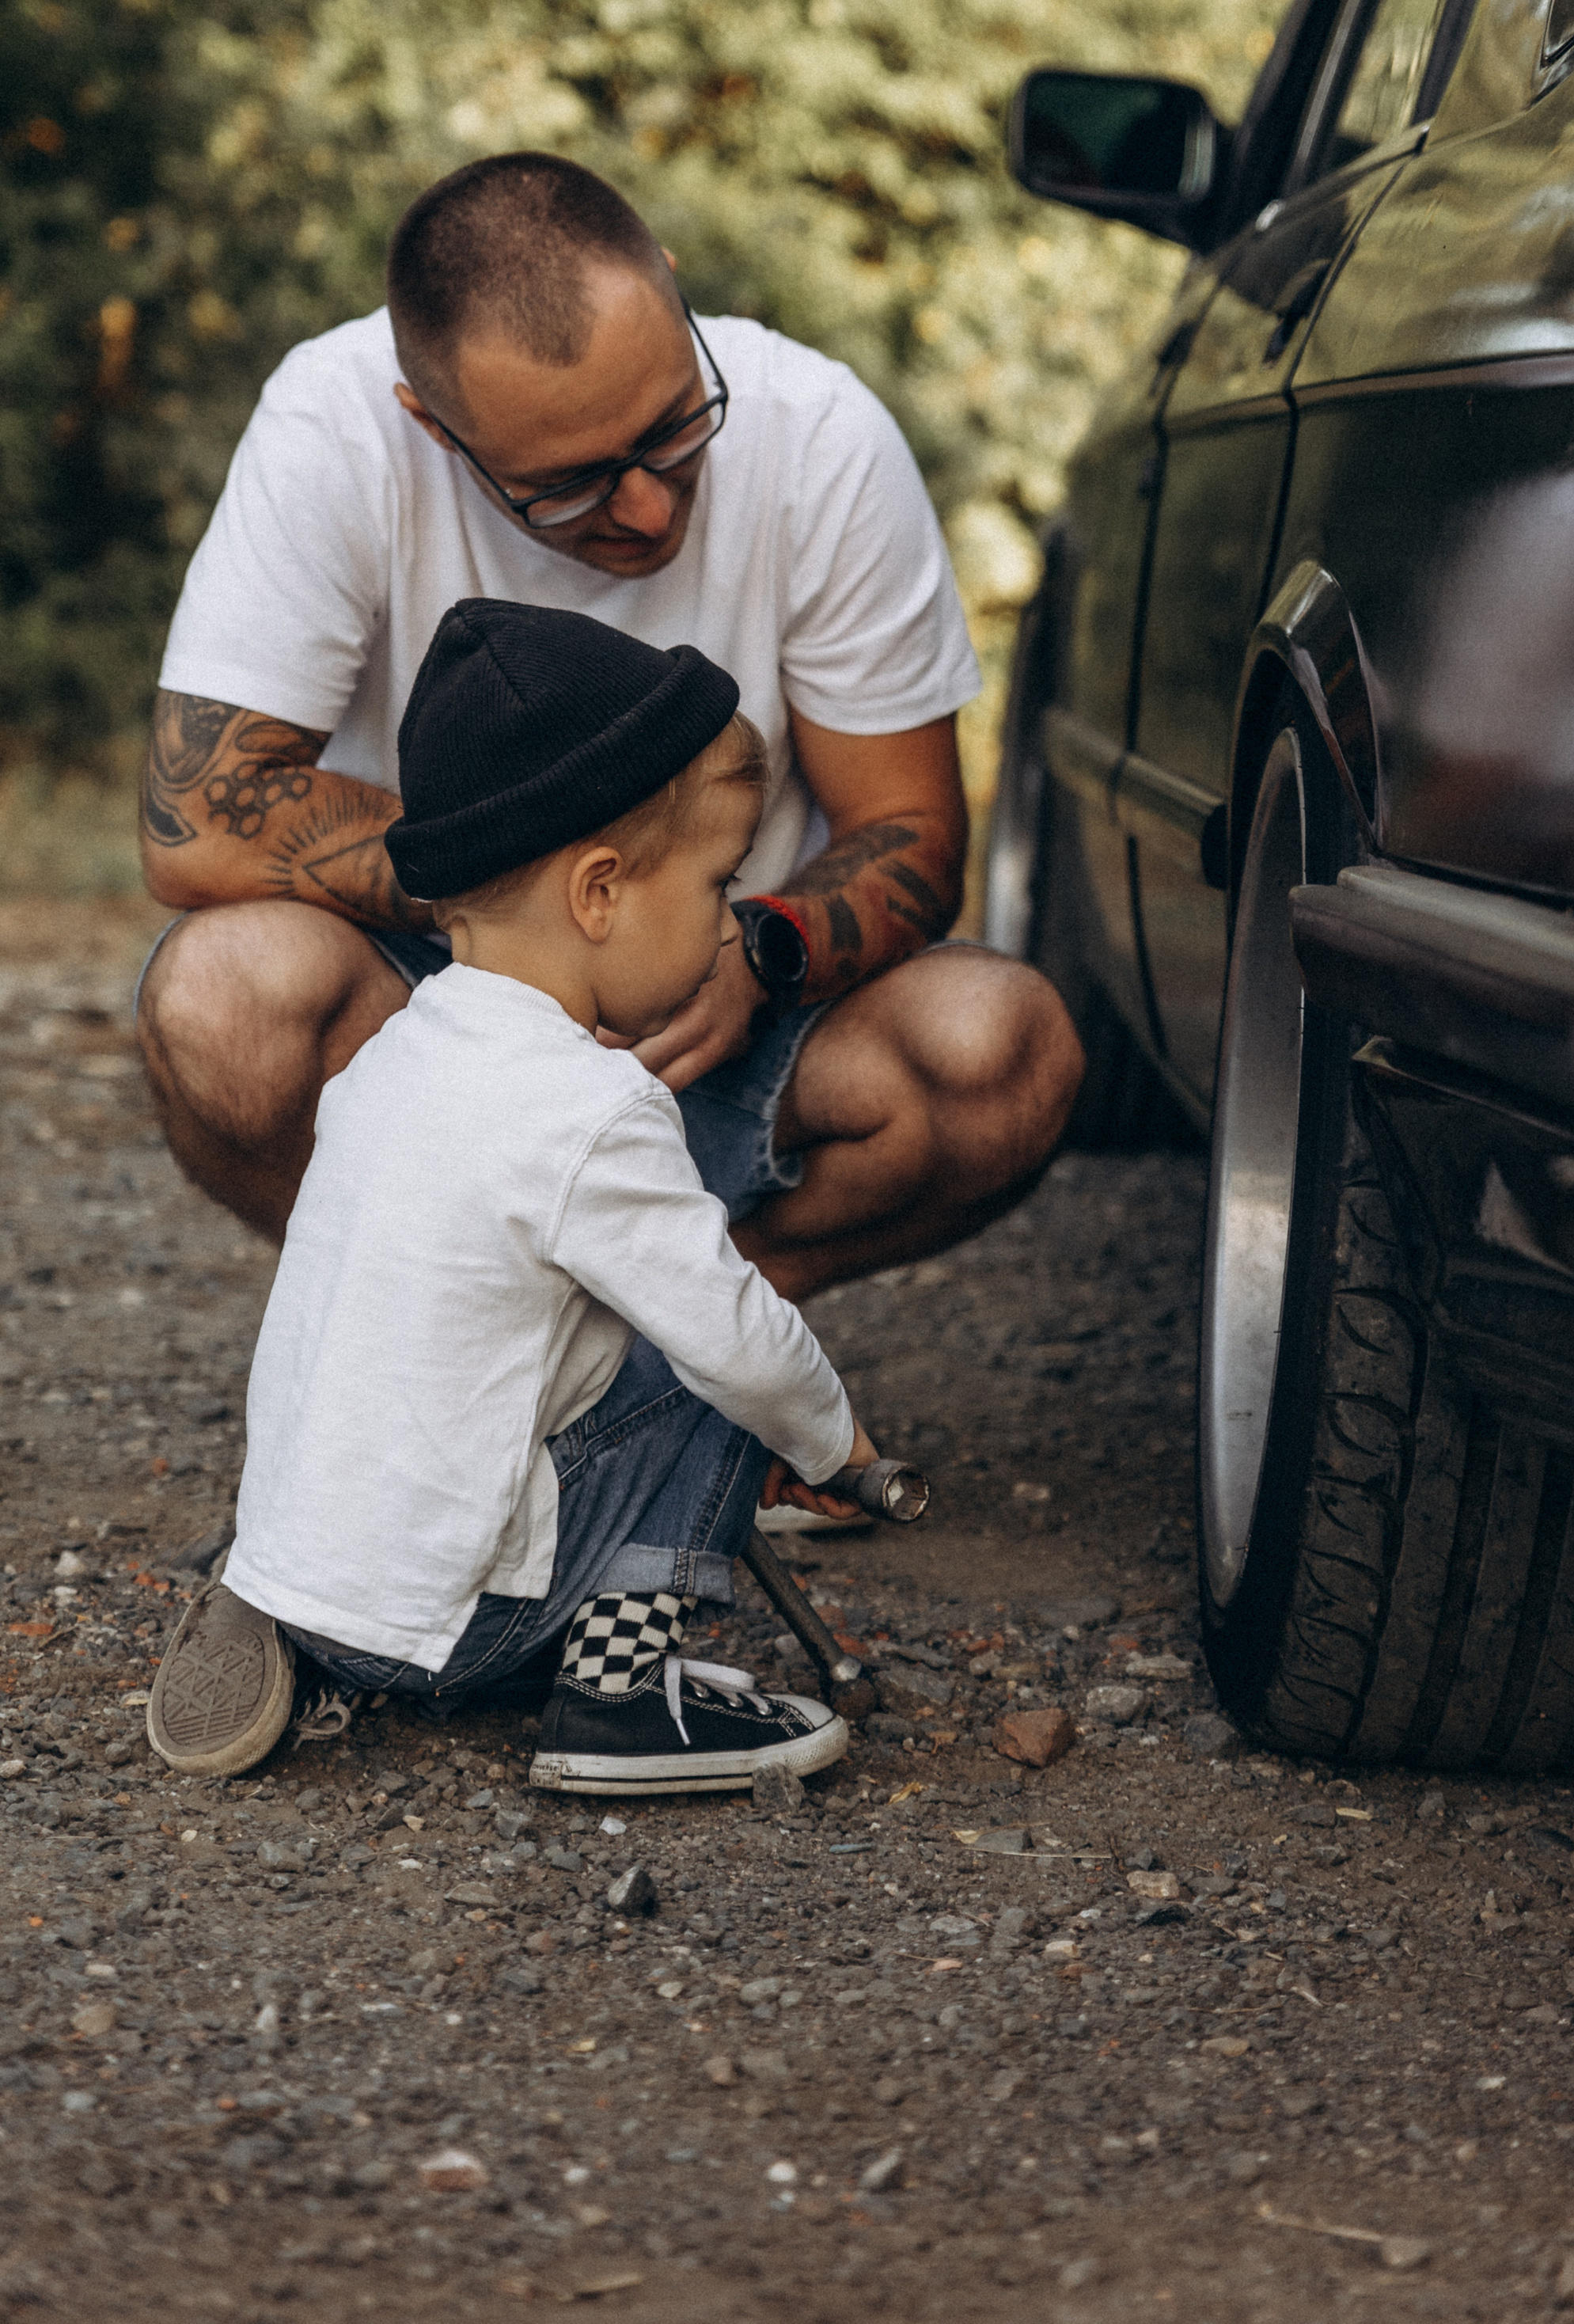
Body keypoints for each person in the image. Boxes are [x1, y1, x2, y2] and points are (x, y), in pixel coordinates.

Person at [134, 150, 1082, 1301]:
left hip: (733, 1000)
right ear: (428, 422)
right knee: (221, 999)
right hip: (434, 1001)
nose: (645, 504)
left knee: (1005, 1049)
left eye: (677, 427)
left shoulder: (821, 435)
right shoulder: (329, 427)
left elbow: (910, 831)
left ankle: (697, 1333)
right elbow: (200, 819)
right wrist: (549, 928)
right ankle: (421, 1316)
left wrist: (756, 952)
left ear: (674, 291)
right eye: (569, 485)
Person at [149, 602, 882, 1791]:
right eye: (717, 882)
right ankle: (616, 1696)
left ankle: (308, 1604)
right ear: (599, 893)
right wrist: (837, 1442)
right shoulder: (589, 1110)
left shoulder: (388, 1059)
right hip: (451, 1623)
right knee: (717, 1369)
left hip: (315, 1584)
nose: (724, 923)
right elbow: (738, 1339)